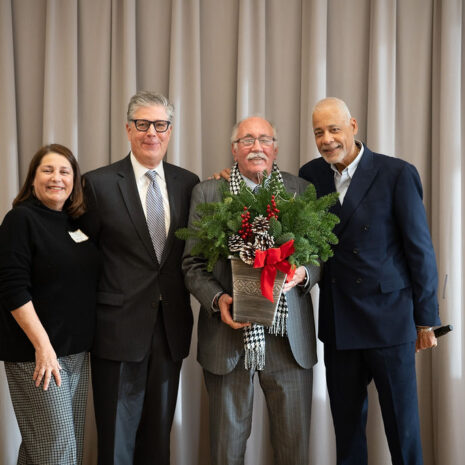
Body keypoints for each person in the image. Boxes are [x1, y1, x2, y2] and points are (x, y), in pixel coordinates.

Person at [298, 97, 440, 465]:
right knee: (346, 434)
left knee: (403, 431)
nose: (327, 139)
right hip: (340, 322)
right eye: (318, 132)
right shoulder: (311, 175)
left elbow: (420, 251)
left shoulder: (396, 173)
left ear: (353, 126)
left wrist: (426, 320)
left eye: (334, 129)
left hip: (390, 323)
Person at [183, 116, 320, 465]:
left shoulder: (300, 190)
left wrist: (303, 273)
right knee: (226, 450)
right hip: (229, 338)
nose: (256, 146)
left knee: (294, 450)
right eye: (246, 140)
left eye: (263, 139)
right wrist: (218, 300)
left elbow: (320, 255)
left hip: (290, 341)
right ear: (234, 149)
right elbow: (193, 264)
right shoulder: (208, 192)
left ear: (275, 148)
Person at [80, 90, 199, 465]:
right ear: (129, 129)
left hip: (170, 330)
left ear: (170, 130)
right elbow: (82, 259)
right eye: (143, 124)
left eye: (160, 125)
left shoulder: (188, 183)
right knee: (116, 443)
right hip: (116, 329)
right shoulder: (97, 184)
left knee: (157, 442)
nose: (152, 133)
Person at [0, 144, 99, 465]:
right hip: (38, 355)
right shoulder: (20, 220)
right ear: (32, 180)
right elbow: (12, 288)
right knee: (58, 454)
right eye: (48, 170)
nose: (57, 178)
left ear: (74, 182)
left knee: (42, 450)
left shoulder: (74, 223)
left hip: (75, 354)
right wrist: (43, 348)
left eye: (64, 172)